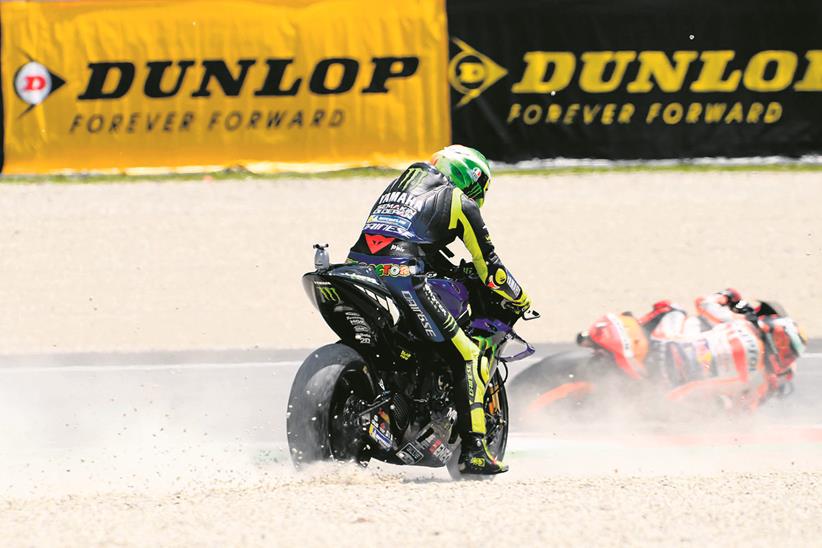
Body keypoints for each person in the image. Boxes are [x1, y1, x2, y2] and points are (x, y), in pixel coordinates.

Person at [347, 145, 530, 474]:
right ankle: (475, 451)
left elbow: (403, 239)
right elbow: (490, 270)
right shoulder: (459, 200)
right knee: (469, 354)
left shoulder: (401, 186)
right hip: (405, 277)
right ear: (472, 179)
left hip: (356, 268)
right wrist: (520, 297)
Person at [638, 289, 806, 410]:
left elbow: (703, 302)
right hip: (668, 387)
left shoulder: (741, 324)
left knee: (672, 308)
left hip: (661, 346)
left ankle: (637, 329)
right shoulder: (757, 381)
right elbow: (741, 416)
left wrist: (728, 296)